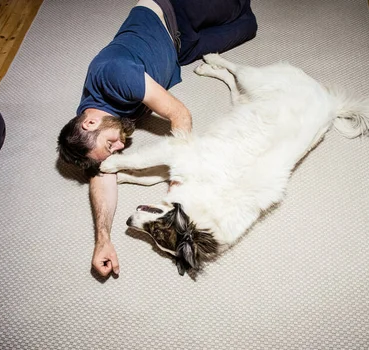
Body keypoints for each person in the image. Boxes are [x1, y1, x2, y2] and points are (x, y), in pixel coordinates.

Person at [57, 0, 257, 277]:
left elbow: (180, 115)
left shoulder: (114, 73)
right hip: (179, 49)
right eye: (113, 150)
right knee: (249, 26)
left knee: (238, 5)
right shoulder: (95, 122)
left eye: (110, 144)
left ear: (90, 123)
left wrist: (177, 186)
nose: (120, 148)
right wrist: (103, 240)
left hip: (175, 11)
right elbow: (102, 174)